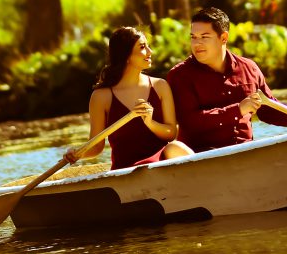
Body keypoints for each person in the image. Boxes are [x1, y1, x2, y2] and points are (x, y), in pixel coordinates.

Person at [167, 6, 287, 153]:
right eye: (193, 37)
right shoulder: (179, 76)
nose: (197, 44)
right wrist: (238, 110)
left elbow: (268, 111)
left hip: (247, 152)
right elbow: (190, 122)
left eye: (204, 37)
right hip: (202, 157)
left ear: (224, 38)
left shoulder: (249, 68)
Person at [67, 26, 193, 169]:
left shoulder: (160, 86)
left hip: (160, 161)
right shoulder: (101, 97)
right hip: (127, 169)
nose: (150, 52)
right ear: (126, 55)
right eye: (142, 47)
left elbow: (171, 134)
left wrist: (150, 122)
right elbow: (96, 147)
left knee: (176, 148)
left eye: (148, 46)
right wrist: (77, 153)